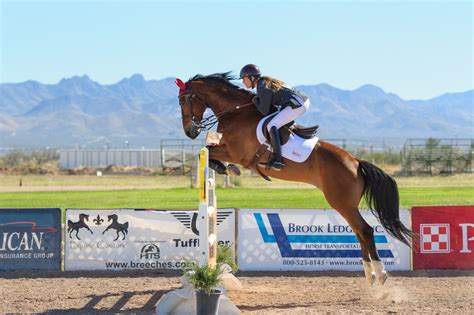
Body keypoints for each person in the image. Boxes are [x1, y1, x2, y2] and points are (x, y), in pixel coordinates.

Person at [240, 64, 310, 171]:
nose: (243, 82)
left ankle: (277, 160)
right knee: (275, 121)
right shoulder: (263, 83)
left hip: (298, 104)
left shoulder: (262, 86)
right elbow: (271, 110)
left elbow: (264, 111)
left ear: (252, 78)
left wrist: (256, 101)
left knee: (272, 125)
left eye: (244, 79)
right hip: (298, 101)